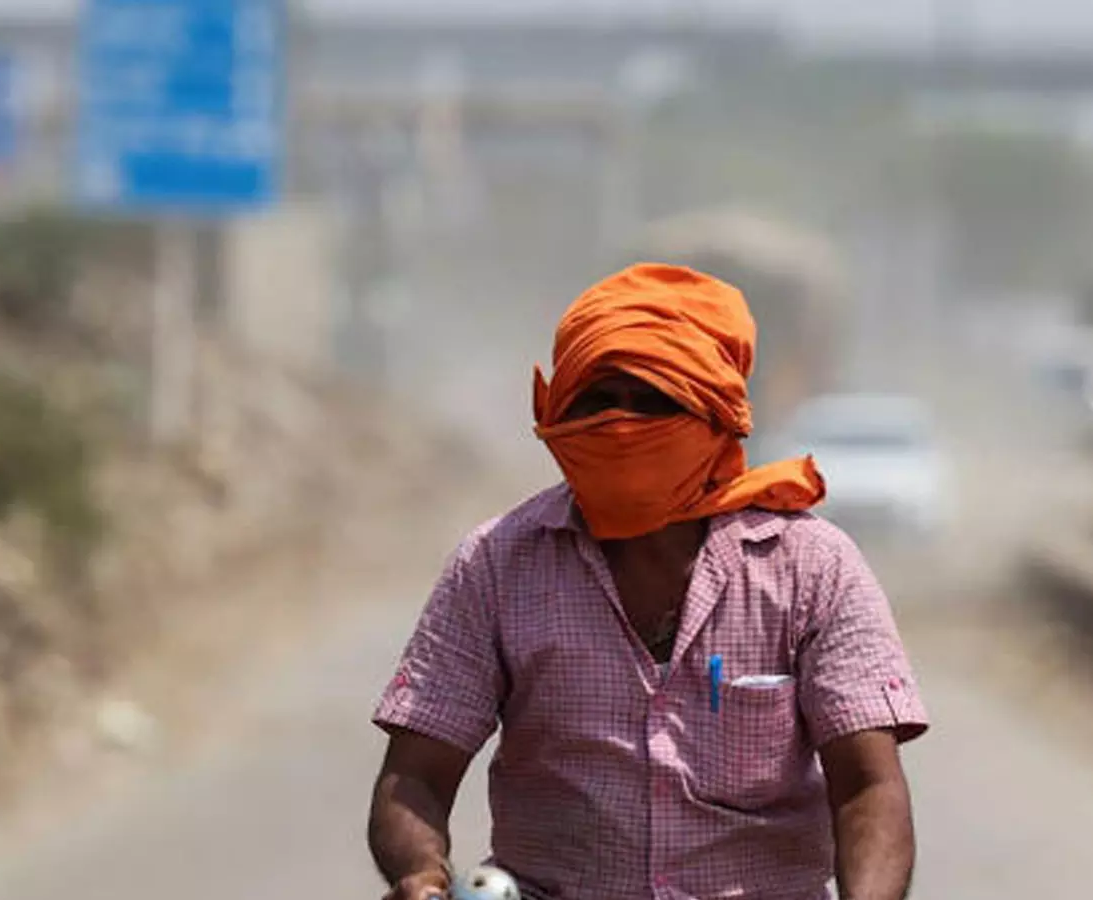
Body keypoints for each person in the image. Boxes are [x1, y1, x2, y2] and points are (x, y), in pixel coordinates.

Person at [368, 263, 929, 900]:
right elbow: (415, 776)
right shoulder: (496, 565)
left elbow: (867, 787)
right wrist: (420, 875)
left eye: (654, 402)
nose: (622, 424)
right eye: (599, 401)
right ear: (557, 414)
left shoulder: (812, 569)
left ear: (717, 417)